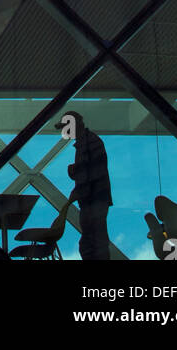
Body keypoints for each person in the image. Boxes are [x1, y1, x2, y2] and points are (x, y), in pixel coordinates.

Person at [59, 111, 112, 260]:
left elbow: (90, 172)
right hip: (94, 199)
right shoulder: (89, 141)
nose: (64, 132)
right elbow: (92, 170)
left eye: (65, 127)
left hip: (92, 199)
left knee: (92, 240)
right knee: (93, 239)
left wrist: (75, 172)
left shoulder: (87, 142)